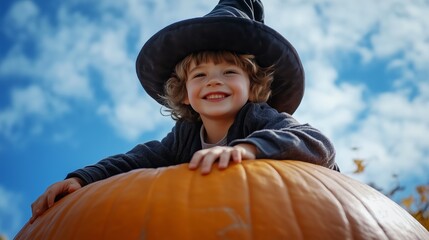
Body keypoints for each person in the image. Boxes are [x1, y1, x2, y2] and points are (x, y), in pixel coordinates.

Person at [30, 0, 339, 223]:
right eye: (199, 76)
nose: (214, 80)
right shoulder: (184, 138)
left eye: (229, 72)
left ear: (252, 86)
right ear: (186, 95)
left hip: (312, 211)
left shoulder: (258, 118)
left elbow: (317, 143)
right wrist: (83, 179)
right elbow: (137, 160)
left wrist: (246, 150)